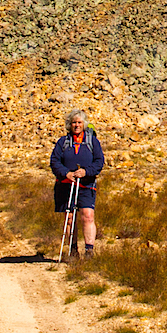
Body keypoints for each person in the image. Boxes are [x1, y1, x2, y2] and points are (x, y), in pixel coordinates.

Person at [50, 109, 105, 259]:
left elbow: (99, 162)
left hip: (86, 185)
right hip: (66, 185)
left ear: (84, 124)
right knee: (69, 218)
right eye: (74, 122)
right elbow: (54, 162)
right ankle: (73, 251)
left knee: (88, 215)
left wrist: (86, 172)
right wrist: (66, 173)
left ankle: (89, 250)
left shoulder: (92, 141)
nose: (76, 125)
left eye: (79, 122)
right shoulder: (63, 142)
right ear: (69, 124)